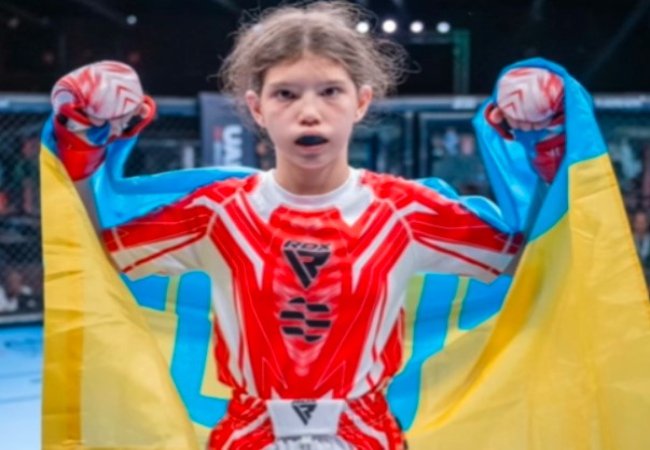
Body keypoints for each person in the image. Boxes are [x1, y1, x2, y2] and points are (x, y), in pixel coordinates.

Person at [46, 2, 566, 449]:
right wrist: (82, 143)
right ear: (257, 109)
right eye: (286, 94)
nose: (309, 113)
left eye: (331, 91)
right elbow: (98, 252)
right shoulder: (217, 213)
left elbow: (527, 259)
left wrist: (546, 150)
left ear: (362, 102)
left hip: (368, 435)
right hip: (247, 435)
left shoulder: (405, 213)